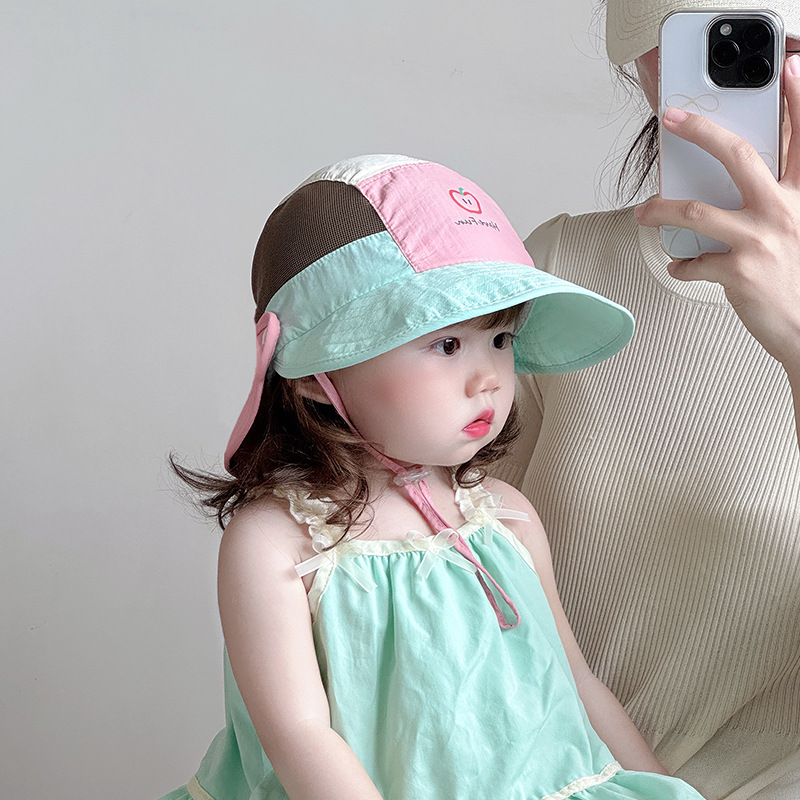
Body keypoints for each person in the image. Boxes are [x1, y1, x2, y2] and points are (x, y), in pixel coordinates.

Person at [158, 154, 706, 800]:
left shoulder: (505, 518)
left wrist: (665, 789)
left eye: (501, 340)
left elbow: (576, 684)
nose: (488, 379)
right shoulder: (278, 543)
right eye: (446, 344)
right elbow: (299, 737)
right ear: (314, 372)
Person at [497, 2, 800, 799]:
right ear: (648, 60)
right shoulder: (556, 272)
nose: (775, 70)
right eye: (711, 39)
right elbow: (439, 559)